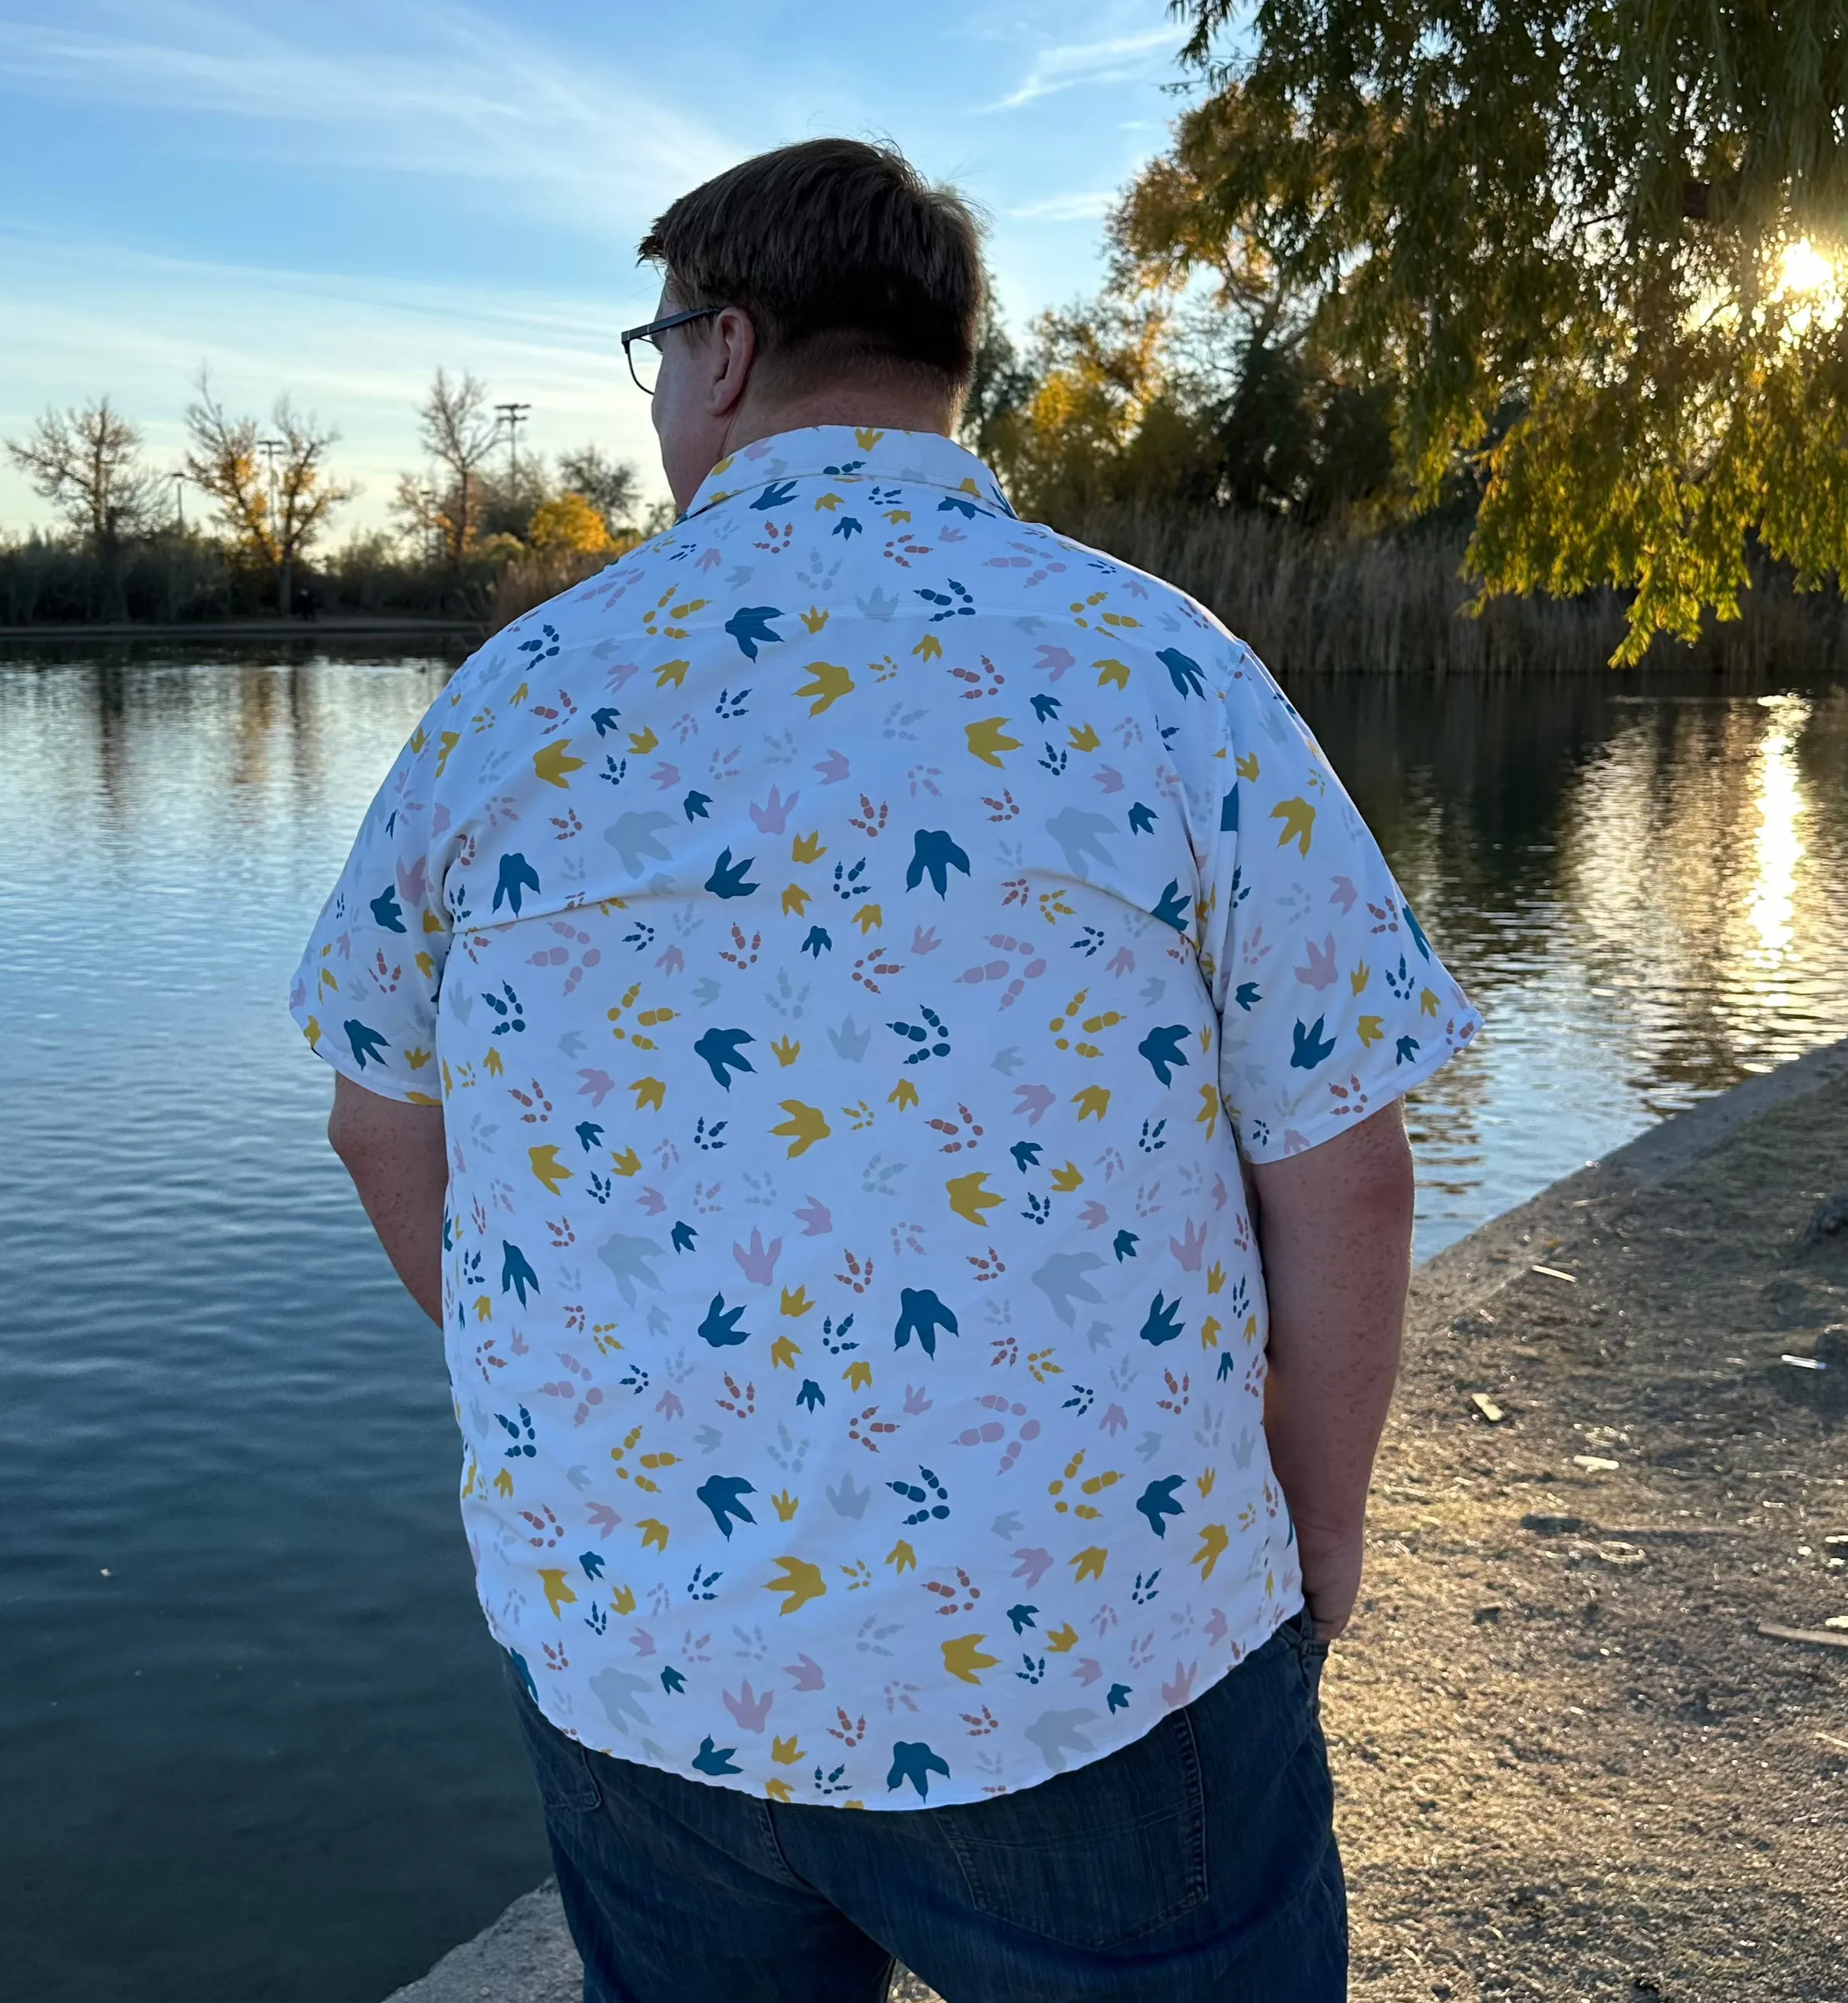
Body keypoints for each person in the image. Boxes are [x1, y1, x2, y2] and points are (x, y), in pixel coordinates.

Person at [290, 138, 1480, 2003]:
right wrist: (1311, 1531)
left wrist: (614, 1419)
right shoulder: (1163, 672)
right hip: (1094, 1653)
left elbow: (382, 1125)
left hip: (642, 1664)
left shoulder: (508, 704)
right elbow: (1345, 1166)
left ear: (731, 348)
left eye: (657, 348)